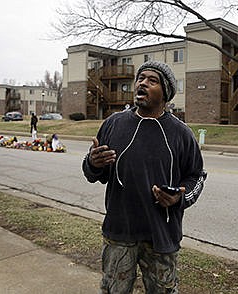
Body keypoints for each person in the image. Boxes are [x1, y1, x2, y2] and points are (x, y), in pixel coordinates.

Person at [82, 60, 207, 293]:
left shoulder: (181, 133)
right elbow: (93, 172)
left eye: (152, 80)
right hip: (119, 232)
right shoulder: (114, 124)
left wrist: (179, 198)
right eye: (141, 78)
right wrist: (93, 163)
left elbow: (196, 176)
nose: (142, 83)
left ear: (165, 92)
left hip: (161, 234)